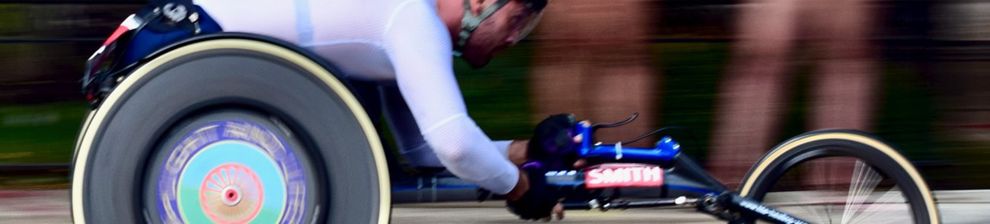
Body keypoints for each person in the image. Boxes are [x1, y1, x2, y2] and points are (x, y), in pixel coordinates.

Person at [190, 0, 567, 220]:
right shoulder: (413, 20)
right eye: (517, 19)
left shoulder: (407, 25)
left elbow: (424, 153)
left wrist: (529, 151)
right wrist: (519, 187)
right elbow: (455, 145)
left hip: (198, 42)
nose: (516, 38)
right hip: (192, 43)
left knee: (361, 112)